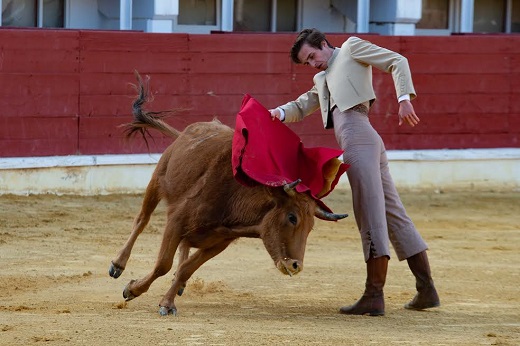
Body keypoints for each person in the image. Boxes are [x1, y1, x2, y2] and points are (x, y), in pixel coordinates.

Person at [269, 28, 440, 316]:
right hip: (360, 140)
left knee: (369, 211)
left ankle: (374, 294)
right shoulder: (321, 78)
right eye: (306, 62)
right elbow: (303, 104)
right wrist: (278, 113)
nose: (313, 64)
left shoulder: (351, 48)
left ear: (324, 44)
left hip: (359, 137)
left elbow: (397, 61)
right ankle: (426, 289)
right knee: (392, 213)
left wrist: (403, 99)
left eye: (313, 56)